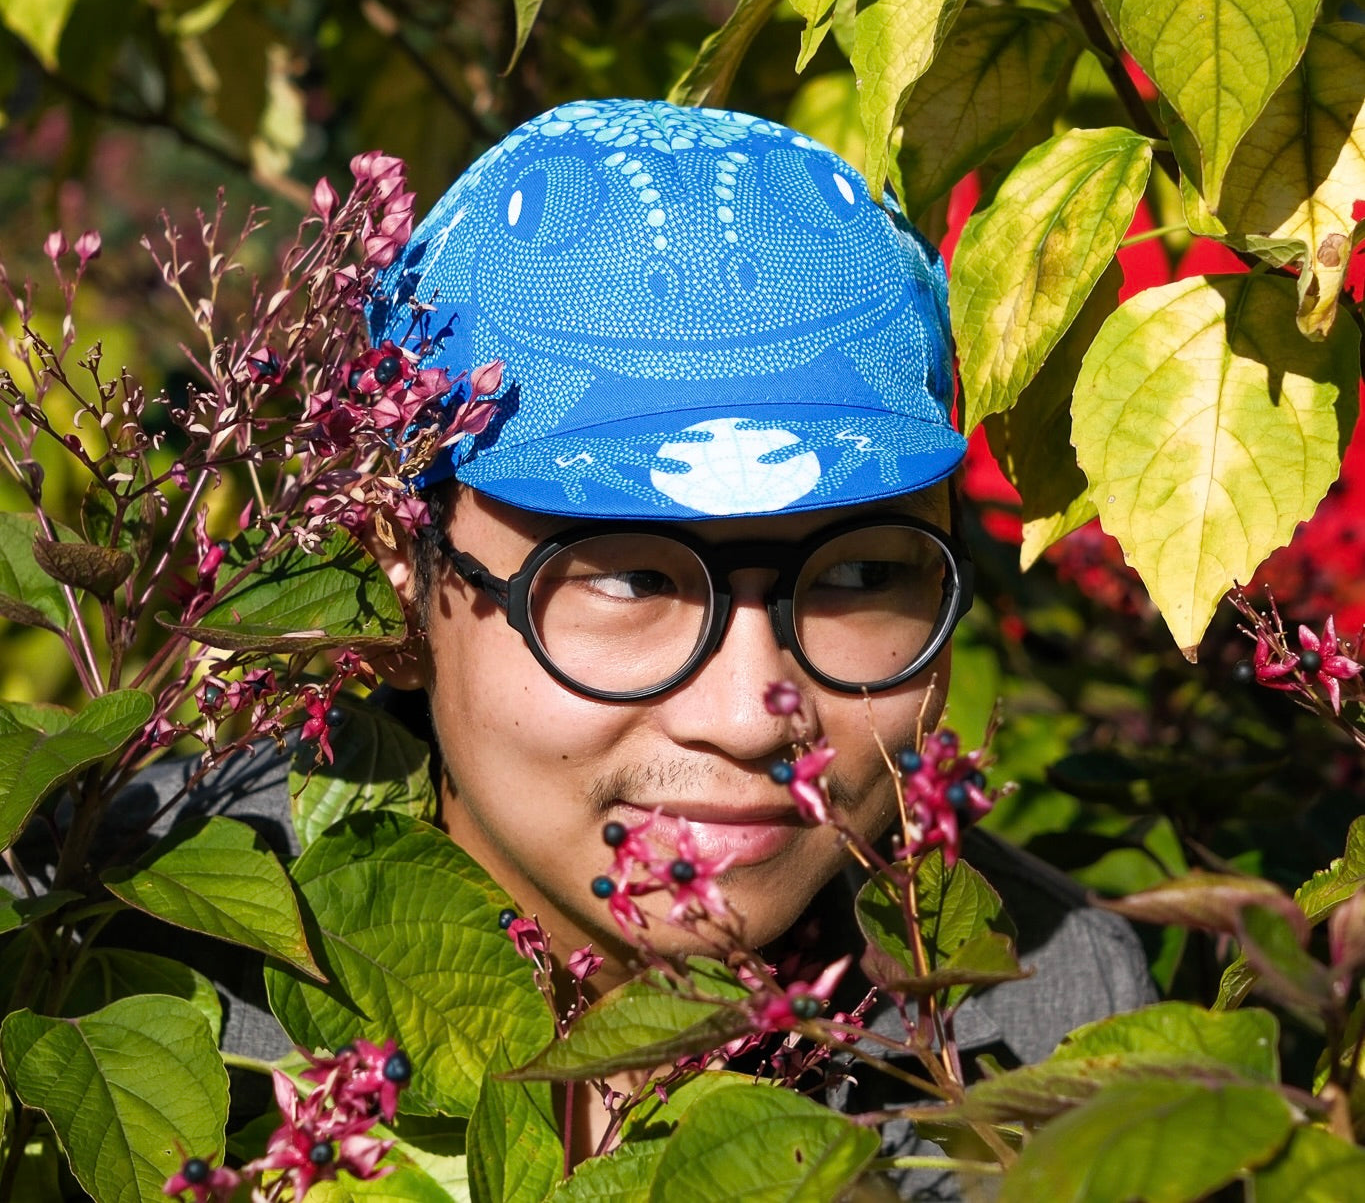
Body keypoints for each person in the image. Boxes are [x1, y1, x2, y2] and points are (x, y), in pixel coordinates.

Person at [358, 98, 1155, 1182]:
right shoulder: (168, 966)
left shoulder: (1053, 1013)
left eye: (861, 575)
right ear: (404, 563)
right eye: (632, 578)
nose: (748, 717)